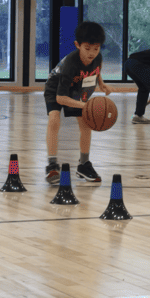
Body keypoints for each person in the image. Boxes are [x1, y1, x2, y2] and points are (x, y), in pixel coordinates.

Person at [44, 21, 111, 185]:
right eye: (87, 49)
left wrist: (101, 83)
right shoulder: (71, 64)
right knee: (54, 119)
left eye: (96, 49)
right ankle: (52, 165)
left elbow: (97, 69)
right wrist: (86, 105)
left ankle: (84, 165)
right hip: (56, 88)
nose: (92, 53)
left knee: (86, 124)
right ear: (77, 45)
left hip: (79, 88)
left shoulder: (98, 57)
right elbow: (60, 98)